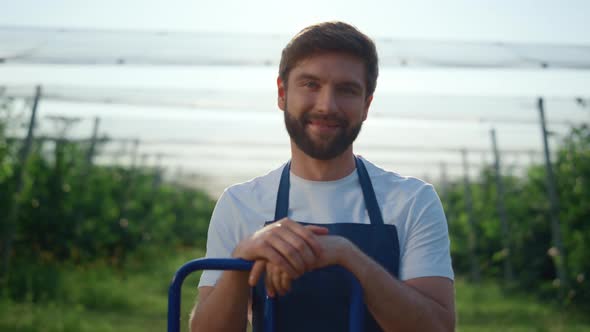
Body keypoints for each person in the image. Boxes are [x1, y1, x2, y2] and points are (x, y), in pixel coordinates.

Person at [189, 21, 455, 332]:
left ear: (367, 104)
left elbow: (437, 328)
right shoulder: (240, 203)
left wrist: (348, 256)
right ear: (282, 93)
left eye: (347, 90)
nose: (327, 105)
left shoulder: (413, 201)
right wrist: (241, 259)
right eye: (310, 84)